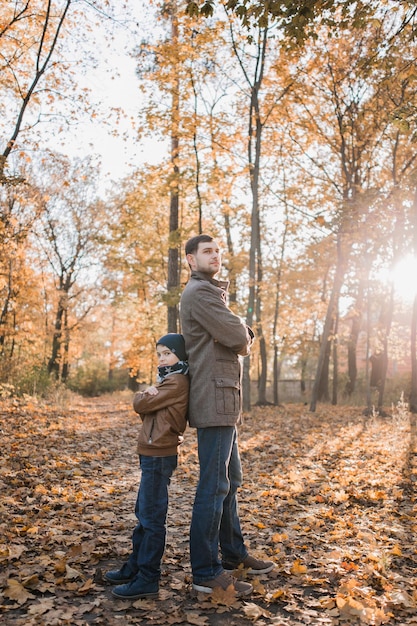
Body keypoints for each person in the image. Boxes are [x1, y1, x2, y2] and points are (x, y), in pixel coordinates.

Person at [179, 234, 274, 598]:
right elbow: (238, 334)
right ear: (190, 259)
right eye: (207, 251)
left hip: (225, 401)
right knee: (214, 485)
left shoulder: (211, 292)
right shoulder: (200, 293)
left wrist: (239, 335)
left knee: (230, 480)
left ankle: (233, 554)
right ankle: (206, 572)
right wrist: (244, 333)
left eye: (217, 251)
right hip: (213, 400)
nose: (215, 255)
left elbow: (235, 337)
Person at [105, 333, 189, 600]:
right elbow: (146, 411)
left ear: (180, 355)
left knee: (151, 519)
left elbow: (140, 403)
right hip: (151, 451)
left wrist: (146, 395)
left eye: (168, 353)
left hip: (158, 453)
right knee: (143, 514)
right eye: (160, 354)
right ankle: (135, 566)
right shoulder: (167, 381)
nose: (163, 359)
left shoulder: (175, 381)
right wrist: (149, 396)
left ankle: (148, 577)